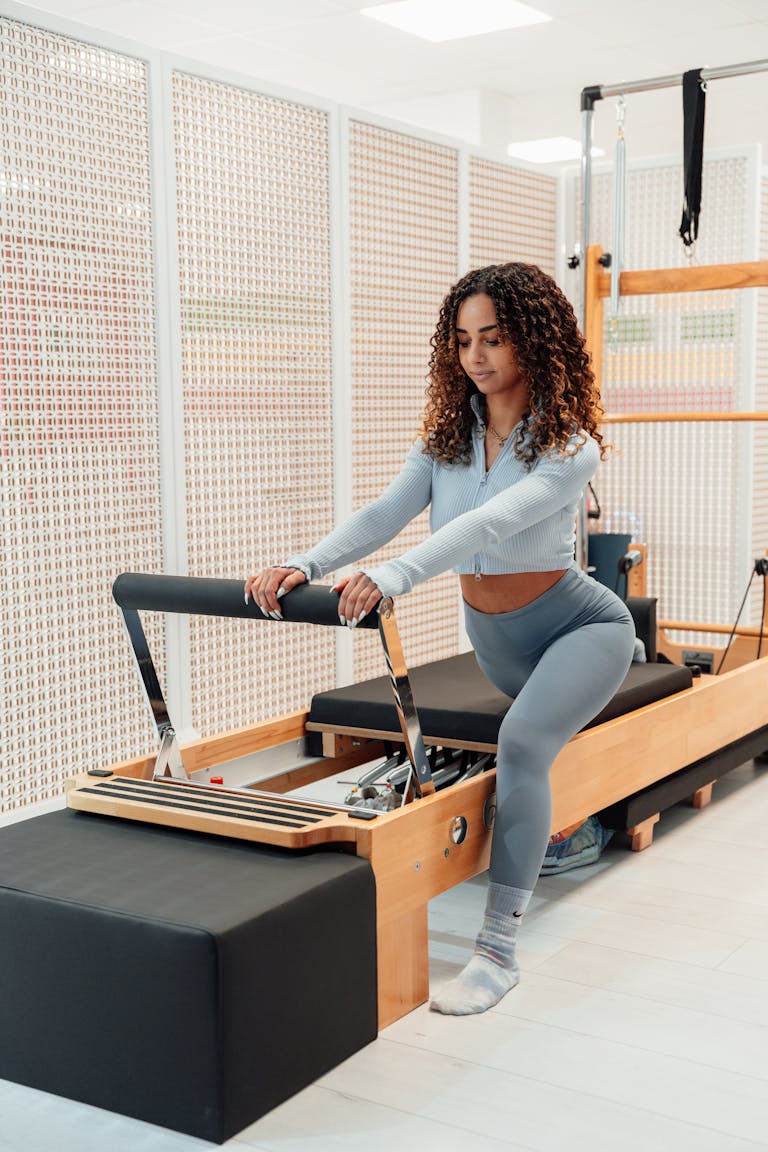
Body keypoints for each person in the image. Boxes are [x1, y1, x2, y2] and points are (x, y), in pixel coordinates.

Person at [245, 262, 635, 1016]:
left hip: (582, 628)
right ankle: (559, 832)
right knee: (531, 743)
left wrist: (396, 577)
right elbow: (381, 512)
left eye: (493, 338)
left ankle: (496, 952)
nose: (477, 357)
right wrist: (305, 562)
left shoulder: (571, 445)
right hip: (498, 640)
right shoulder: (446, 440)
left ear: (534, 339)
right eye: (462, 341)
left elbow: (490, 523)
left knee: (521, 742)